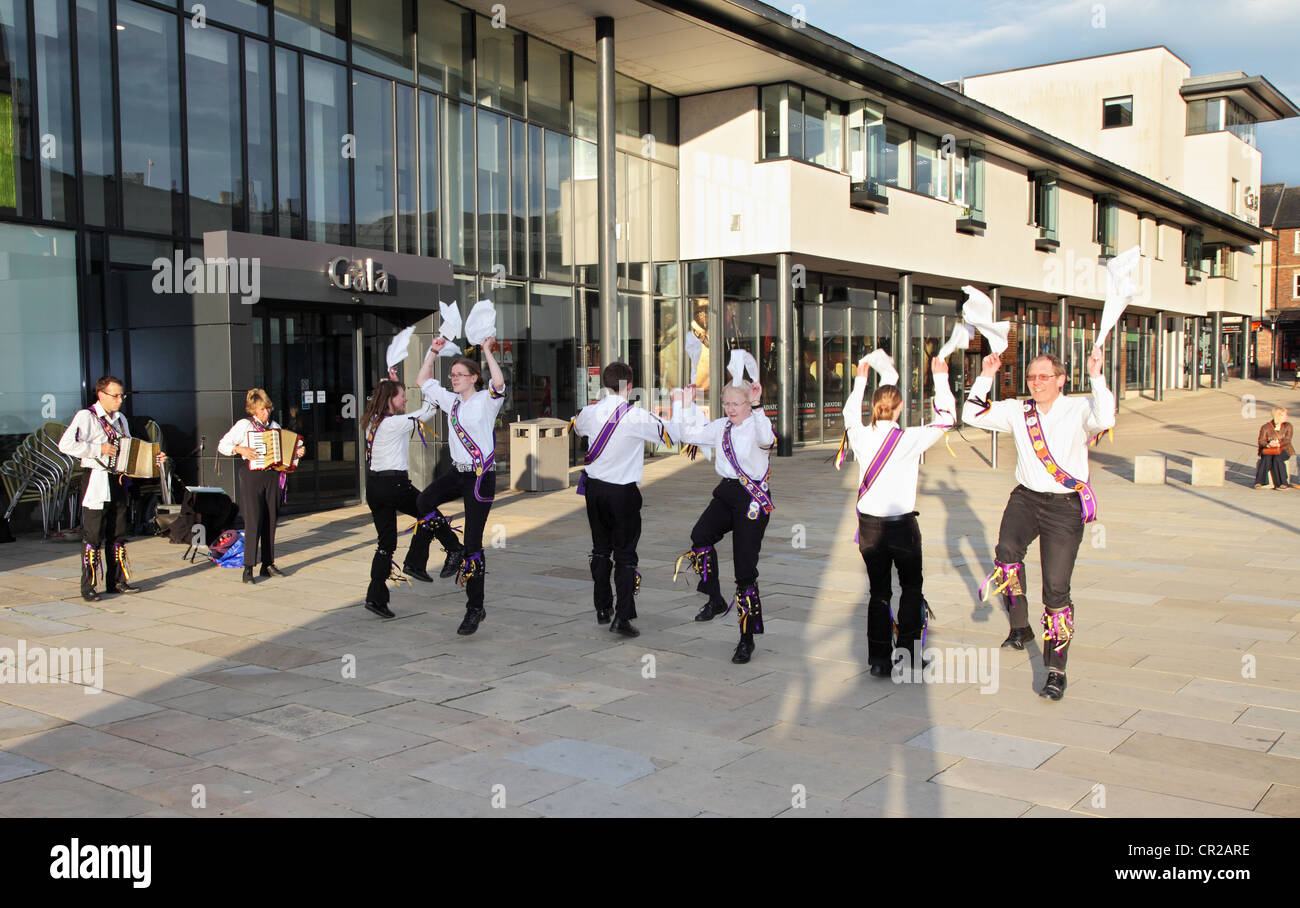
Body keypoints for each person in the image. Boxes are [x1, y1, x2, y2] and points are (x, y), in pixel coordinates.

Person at [962, 346, 1114, 701]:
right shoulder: (1018, 409)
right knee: (1006, 553)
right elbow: (971, 413)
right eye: (1031, 377)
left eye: (1044, 377)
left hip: (1064, 507)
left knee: (1056, 588)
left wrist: (1096, 375)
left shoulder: (1079, 408)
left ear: (1061, 380)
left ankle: (1056, 670)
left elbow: (1105, 418)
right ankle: (1020, 627)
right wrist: (987, 374)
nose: (1036, 383)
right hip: (1026, 498)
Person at [842, 356, 954, 677]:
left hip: (870, 527)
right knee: (911, 588)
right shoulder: (909, 438)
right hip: (903, 526)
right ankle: (909, 656)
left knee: (878, 593)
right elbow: (946, 419)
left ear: (874, 406)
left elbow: (850, 413)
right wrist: (941, 379)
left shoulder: (861, 436)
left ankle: (878, 660)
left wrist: (860, 380)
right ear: (900, 407)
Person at [669, 378, 774, 664]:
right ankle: (714, 598)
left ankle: (746, 639)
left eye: (736, 403)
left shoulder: (757, 424)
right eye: (726, 403)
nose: (730, 408)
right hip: (727, 493)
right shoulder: (721, 426)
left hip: (752, 500)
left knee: (745, 571)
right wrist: (686, 404)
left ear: (748, 403)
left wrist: (757, 405)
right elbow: (690, 434)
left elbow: (767, 440)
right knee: (700, 536)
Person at [572, 361, 673, 638]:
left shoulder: (590, 412)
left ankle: (602, 608)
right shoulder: (636, 416)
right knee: (625, 555)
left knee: (601, 549)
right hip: (622, 492)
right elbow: (668, 434)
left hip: (594, 491)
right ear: (629, 386)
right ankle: (623, 616)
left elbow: (578, 429)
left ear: (605, 384)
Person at [415, 337, 506, 635]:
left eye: (458, 375)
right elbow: (422, 379)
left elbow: (499, 381)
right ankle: (451, 548)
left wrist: (486, 351)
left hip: (481, 477)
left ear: (473, 378)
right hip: (458, 473)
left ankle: (475, 608)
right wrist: (433, 351)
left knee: (474, 544)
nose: (453, 379)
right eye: (451, 375)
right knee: (423, 502)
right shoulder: (450, 400)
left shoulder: (487, 400)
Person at [360, 368, 463, 619]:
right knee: (429, 511)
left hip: (375, 486)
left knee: (386, 544)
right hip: (394, 484)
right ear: (389, 399)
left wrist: (394, 382)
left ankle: (376, 597)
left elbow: (393, 398)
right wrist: (430, 387)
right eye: (401, 396)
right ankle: (446, 551)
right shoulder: (394, 423)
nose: (405, 400)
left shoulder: (372, 422)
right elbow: (426, 412)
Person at [58, 375, 167, 602]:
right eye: (115, 395)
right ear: (101, 395)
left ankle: (116, 580)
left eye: (121, 395)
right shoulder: (86, 416)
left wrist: (153, 458)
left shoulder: (120, 419)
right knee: (93, 534)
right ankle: (88, 586)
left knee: (117, 532)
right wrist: (97, 448)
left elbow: (129, 449)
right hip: (97, 479)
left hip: (117, 480)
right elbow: (65, 444)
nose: (119, 400)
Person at [218, 389, 305, 584]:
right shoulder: (244, 425)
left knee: (271, 520)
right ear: (253, 410)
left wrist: (296, 454)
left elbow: (284, 453)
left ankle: (268, 563)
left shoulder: (274, 426)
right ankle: (248, 567)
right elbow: (222, 445)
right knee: (253, 521)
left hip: (272, 476)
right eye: (261, 410)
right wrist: (239, 448)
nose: (266, 413)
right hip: (251, 476)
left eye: (267, 409)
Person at [1255, 407, 1293, 490]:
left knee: (1277, 458)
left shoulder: (1288, 426)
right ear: (1278, 416)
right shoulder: (1266, 427)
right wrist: (1268, 444)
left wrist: (1278, 444)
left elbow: (1287, 440)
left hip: (1284, 449)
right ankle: (1260, 481)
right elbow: (1261, 441)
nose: (1286, 417)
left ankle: (1282, 483)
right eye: (1284, 415)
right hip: (1269, 449)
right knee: (1266, 458)